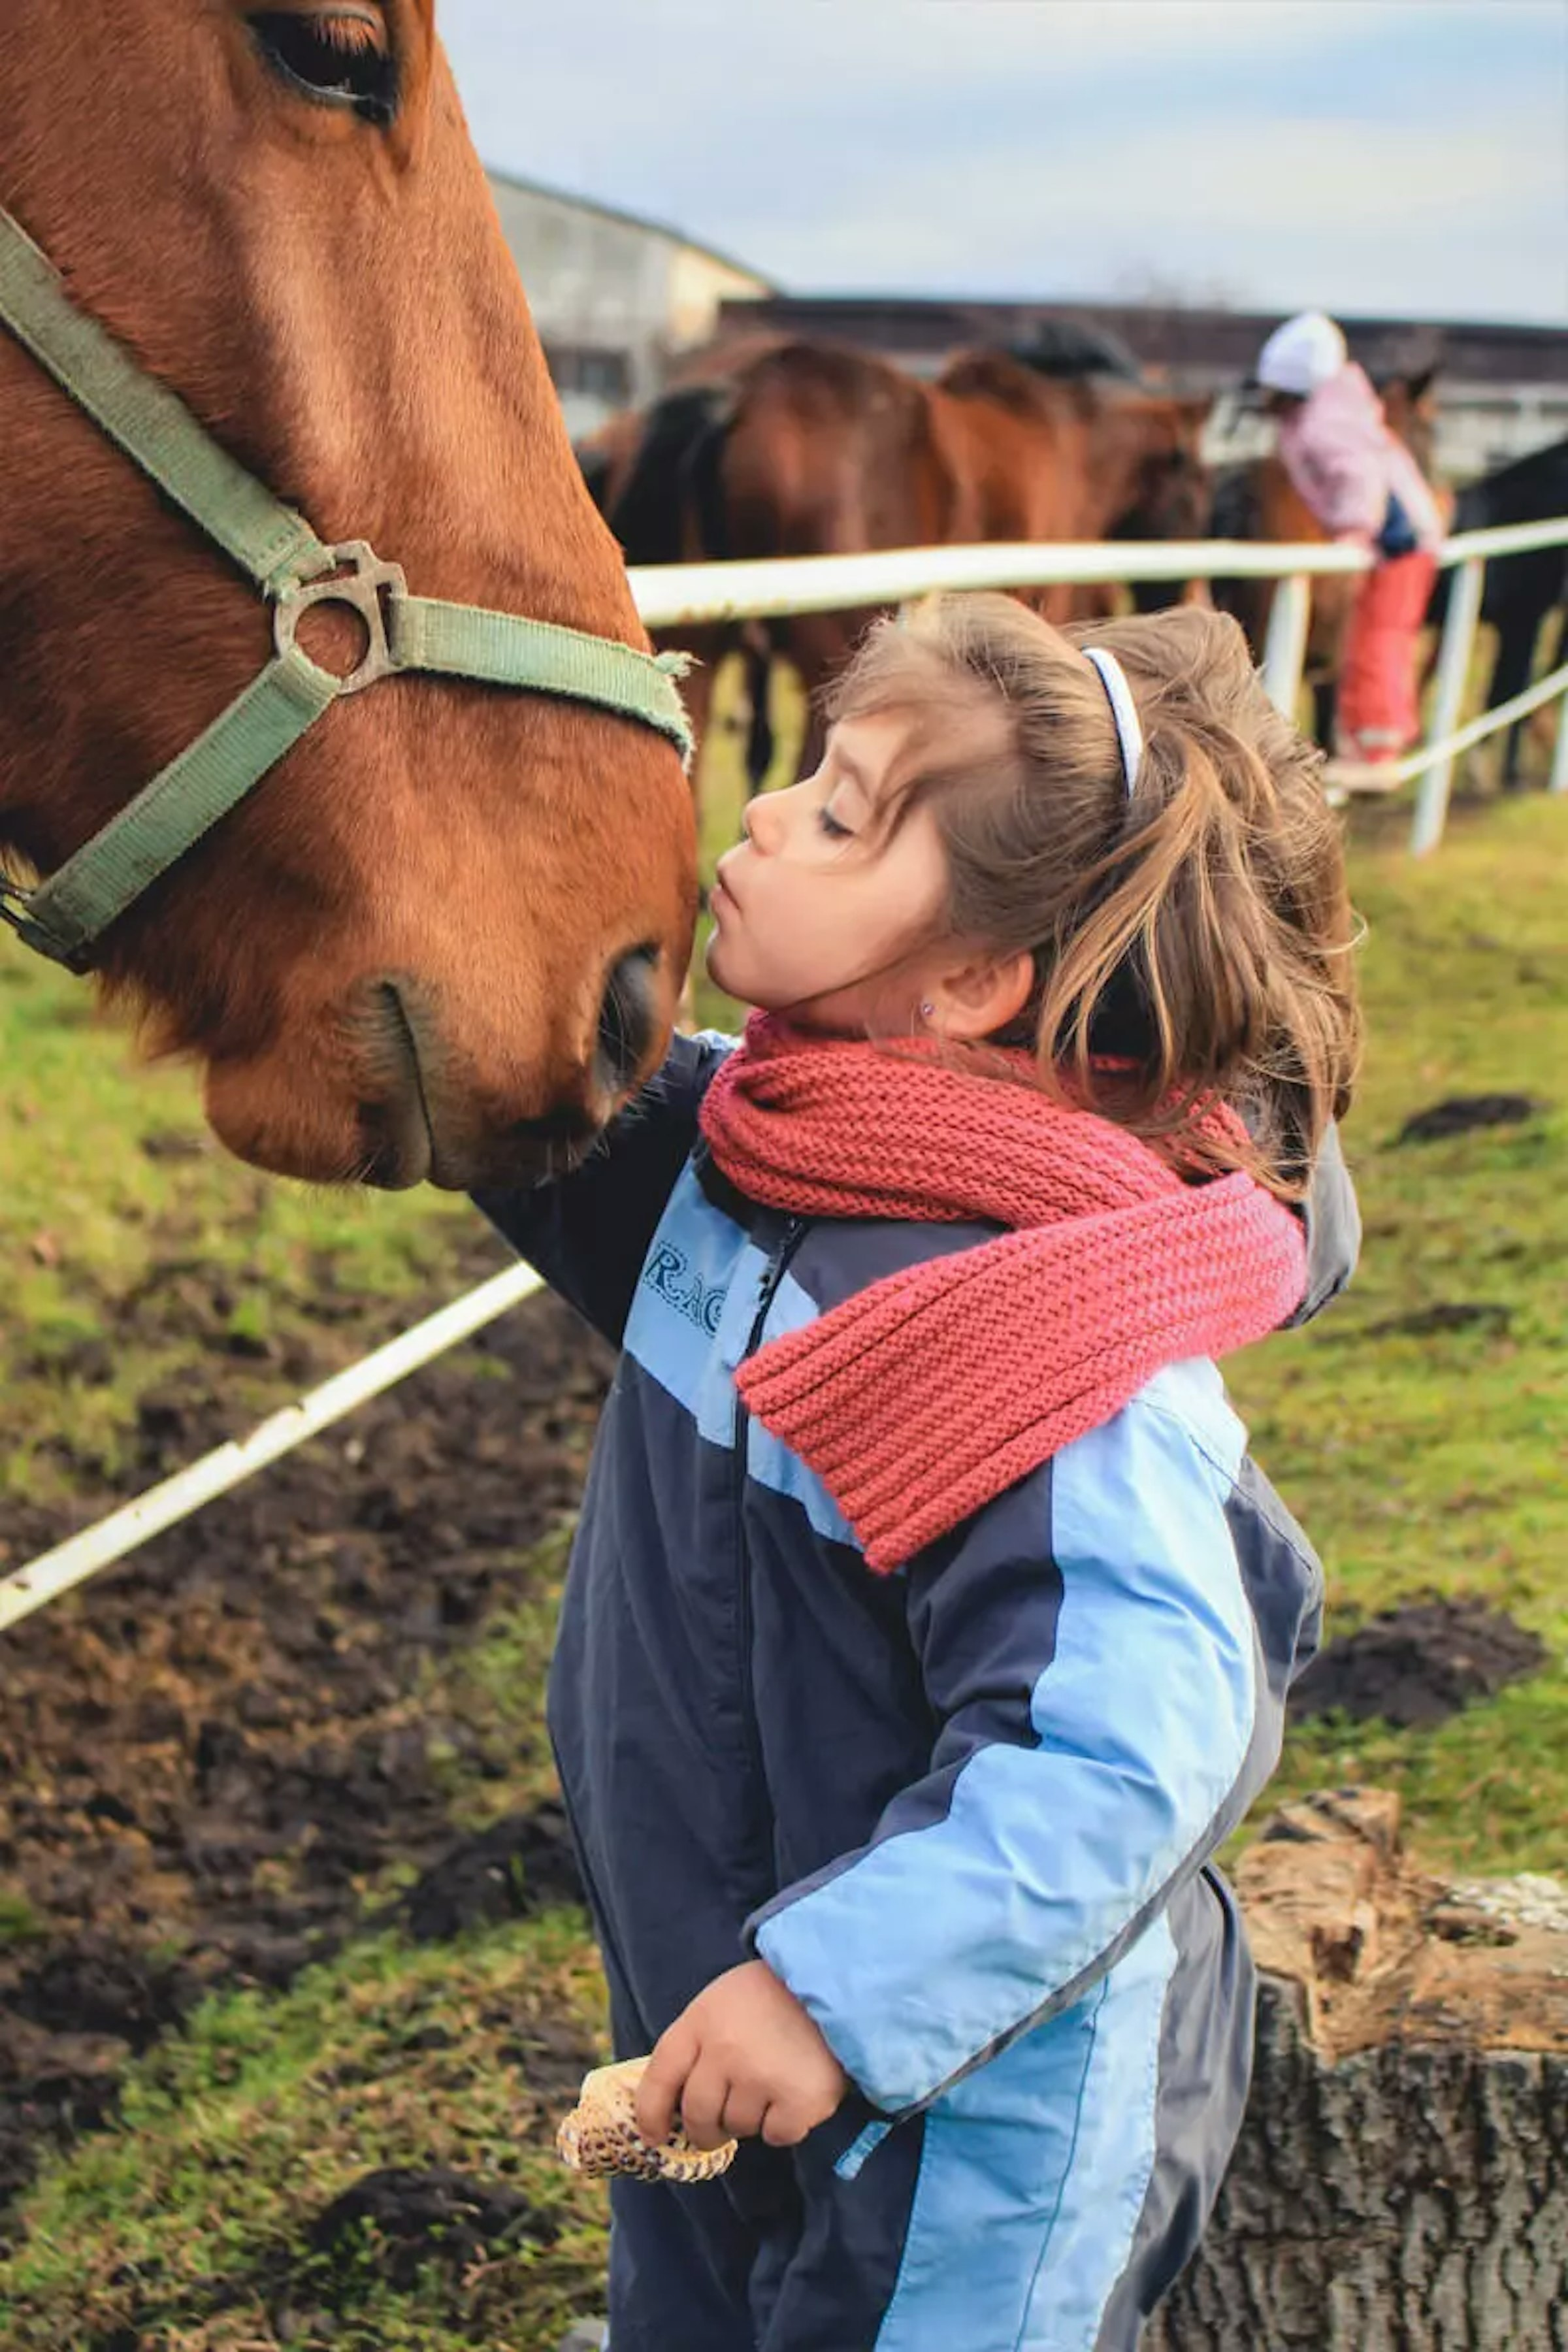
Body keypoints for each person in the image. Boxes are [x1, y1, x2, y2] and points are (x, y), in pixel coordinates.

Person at [479, 595, 1363, 2352]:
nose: (762, 814)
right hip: (724, 2015)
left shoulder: (1045, 1336)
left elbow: (1121, 1755)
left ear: (969, 983)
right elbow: (514, 1074)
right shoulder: (748, 1159)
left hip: (970, 2124)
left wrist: (831, 1993)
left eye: (840, 814)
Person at [1254, 309, 1445, 775]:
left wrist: (1354, 534)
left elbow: (1360, 480)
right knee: (1375, 638)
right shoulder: (1332, 412)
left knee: (1378, 640)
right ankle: (1374, 737)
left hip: (1397, 544)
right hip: (1398, 542)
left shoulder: (1326, 422)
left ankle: (1376, 747)